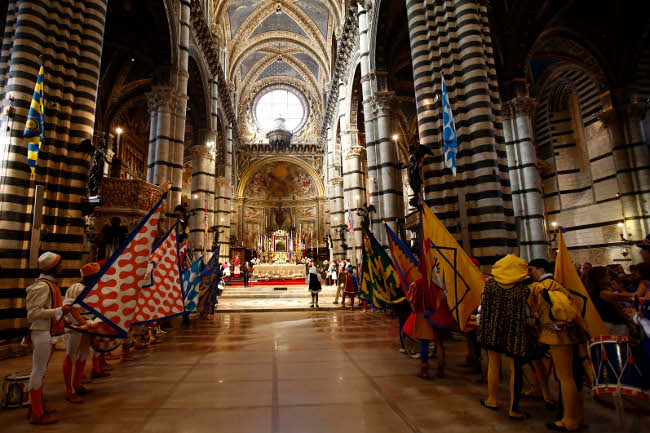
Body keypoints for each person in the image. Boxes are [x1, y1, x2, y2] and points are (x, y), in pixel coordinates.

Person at [476, 254, 539, 421]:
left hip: (493, 330)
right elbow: (529, 314)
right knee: (515, 370)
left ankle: (492, 399)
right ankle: (514, 408)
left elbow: (482, 307)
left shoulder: (489, 286)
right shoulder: (524, 290)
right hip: (515, 333)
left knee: (493, 365)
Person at [528, 258, 587, 432]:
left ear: (540, 269)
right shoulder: (557, 284)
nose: (529, 274)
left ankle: (569, 420)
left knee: (565, 377)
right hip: (571, 334)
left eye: (531, 270)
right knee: (575, 376)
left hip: (558, 336)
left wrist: (558, 324)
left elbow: (558, 309)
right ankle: (578, 415)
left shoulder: (543, 287)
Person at [25, 252, 73, 424]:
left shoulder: (50, 285)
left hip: (48, 332)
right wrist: (59, 311)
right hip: (41, 332)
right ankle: (38, 414)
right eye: (60, 265)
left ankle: (37, 405)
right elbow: (33, 314)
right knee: (37, 371)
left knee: (41, 371)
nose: (62, 267)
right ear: (53, 267)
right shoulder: (42, 287)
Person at [62, 262, 100, 403]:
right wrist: (81, 322)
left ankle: (77, 384)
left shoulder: (91, 287)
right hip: (75, 326)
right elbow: (70, 307)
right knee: (71, 355)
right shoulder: (76, 288)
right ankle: (69, 390)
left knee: (83, 354)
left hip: (87, 325)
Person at [586, 266, 628, 336]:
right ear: (600, 278)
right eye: (607, 274)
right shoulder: (603, 293)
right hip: (614, 326)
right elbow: (620, 306)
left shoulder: (594, 292)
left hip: (606, 324)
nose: (610, 277)